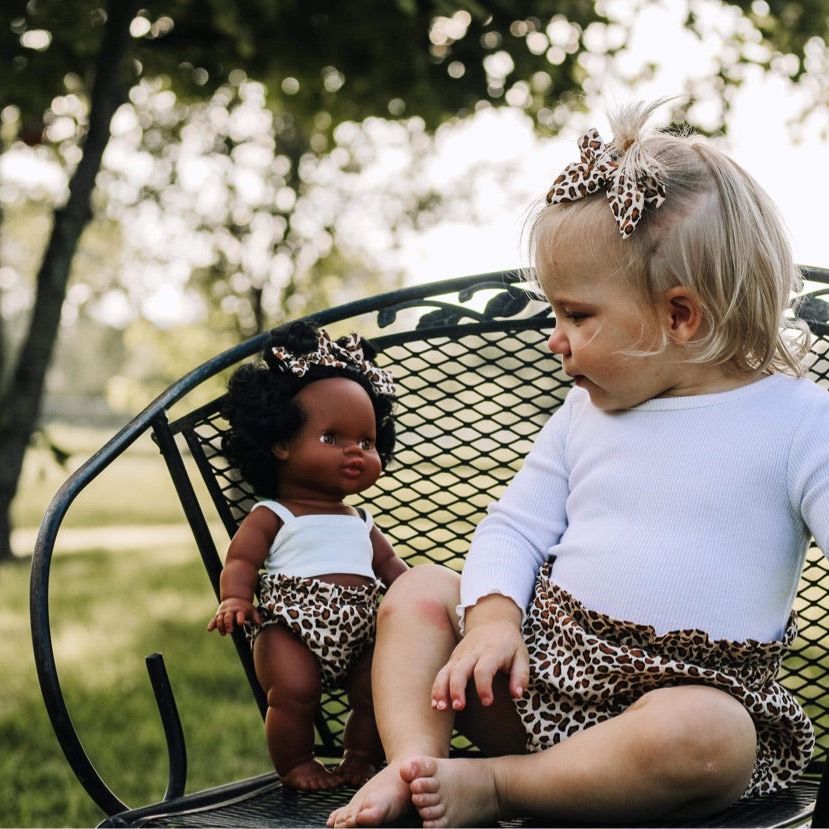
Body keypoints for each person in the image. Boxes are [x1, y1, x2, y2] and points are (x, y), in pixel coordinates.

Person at [327, 98, 829, 828]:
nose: (554, 339)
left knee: (708, 736)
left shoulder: (797, 421)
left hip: (680, 711)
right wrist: (494, 618)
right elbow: (513, 526)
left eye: (576, 315)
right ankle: (415, 766)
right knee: (422, 592)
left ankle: (501, 786)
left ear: (677, 315)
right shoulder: (582, 413)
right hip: (541, 678)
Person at [207, 321, 408, 791]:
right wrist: (235, 598)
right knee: (293, 691)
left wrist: (425, 595)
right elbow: (241, 561)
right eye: (331, 438)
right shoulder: (272, 513)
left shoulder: (362, 522)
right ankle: (295, 763)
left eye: (367, 442)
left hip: (360, 630)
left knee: (377, 688)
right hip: (291, 626)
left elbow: (394, 571)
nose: (355, 452)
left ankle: (359, 757)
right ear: (279, 443)